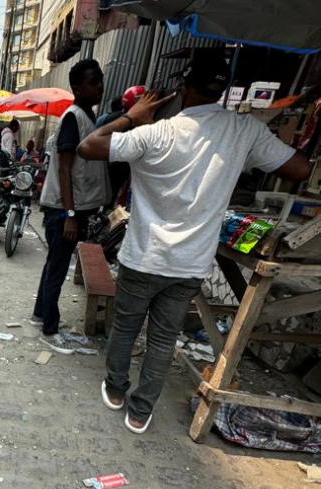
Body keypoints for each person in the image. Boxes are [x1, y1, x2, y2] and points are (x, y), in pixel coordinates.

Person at [78, 55, 311, 434]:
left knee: (125, 328)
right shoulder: (244, 130)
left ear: (183, 88)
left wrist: (131, 116)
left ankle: (116, 390)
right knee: (162, 338)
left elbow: (89, 146)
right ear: (222, 90)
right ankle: (140, 412)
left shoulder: (156, 133)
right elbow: (300, 169)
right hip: (190, 264)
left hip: (143, 256)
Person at [31, 59, 109, 353]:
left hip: (68, 208)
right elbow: (65, 169)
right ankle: (49, 328)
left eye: (100, 80)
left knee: (54, 264)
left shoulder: (86, 117)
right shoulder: (73, 118)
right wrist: (70, 215)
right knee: (58, 267)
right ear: (77, 87)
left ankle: (42, 314)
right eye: (92, 82)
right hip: (63, 210)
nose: (99, 86)